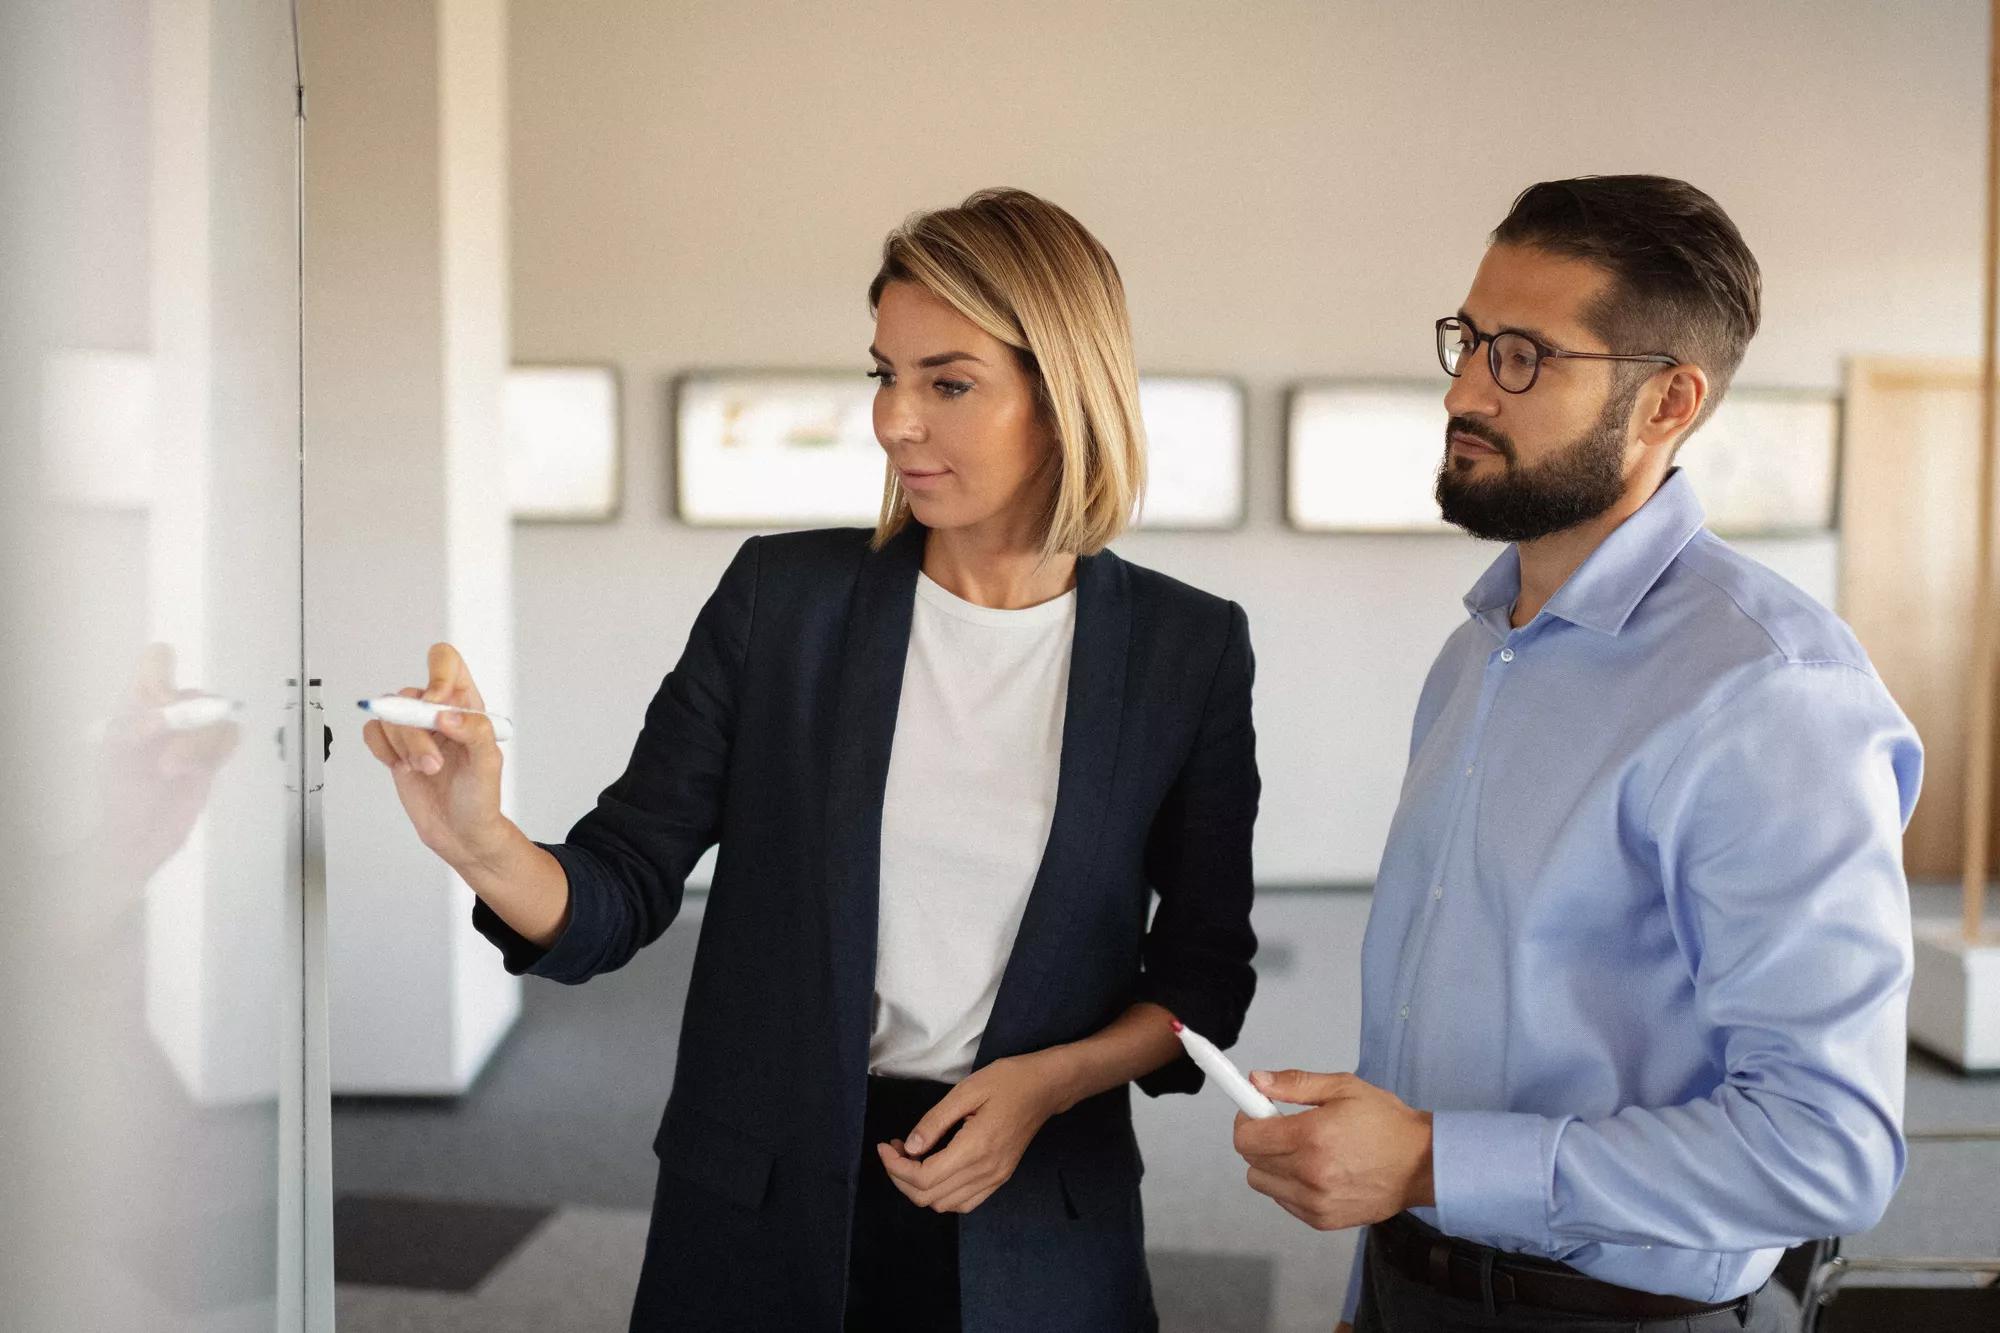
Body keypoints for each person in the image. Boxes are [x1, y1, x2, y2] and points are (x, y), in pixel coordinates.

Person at [364, 187, 1261, 1333]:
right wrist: (478, 838)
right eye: (884, 374)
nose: (894, 420)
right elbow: (622, 885)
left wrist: (1051, 1083)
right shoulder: (782, 603)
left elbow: (1197, 979)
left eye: (947, 381)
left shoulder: (1186, 649)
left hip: (1036, 1202)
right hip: (763, 1197)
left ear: (1063, 392)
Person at [1233, 175, 1921, 1333]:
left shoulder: (1767, 690)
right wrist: (1384, 1263)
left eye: (1522, 356)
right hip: (1413, 1285)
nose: (1461, 387)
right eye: (1465, 340)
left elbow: (1826, 1148)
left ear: (1665, 404)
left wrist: (1432, 1164)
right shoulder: (1475, 651)